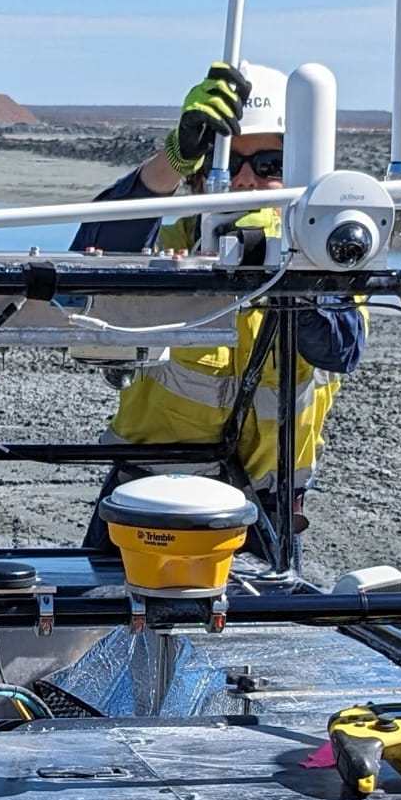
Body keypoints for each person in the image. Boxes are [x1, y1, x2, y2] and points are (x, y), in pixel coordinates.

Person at [70, 61, 365, 541]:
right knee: (95, 617)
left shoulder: (324, 261)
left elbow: (338, 348)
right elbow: (85, 268)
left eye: (269, 165)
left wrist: (295, 262)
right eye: (226, 163)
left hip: (264, 515)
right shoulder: (164, 252)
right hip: (148, 502)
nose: (246, 180)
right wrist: (174, 157)